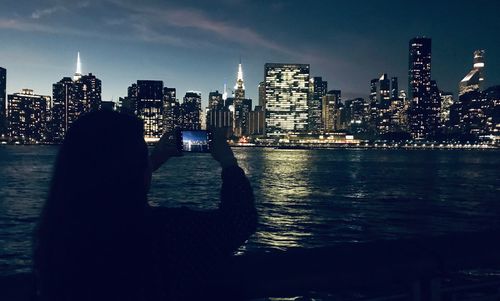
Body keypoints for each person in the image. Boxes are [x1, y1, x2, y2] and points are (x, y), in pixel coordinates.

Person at [33, 110, 257, 300]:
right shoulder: (165, 232)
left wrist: (153, 160)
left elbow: (111, 183)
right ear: (137, 170)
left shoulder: (57, 236)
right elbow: (238, 221)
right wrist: (228, 162)